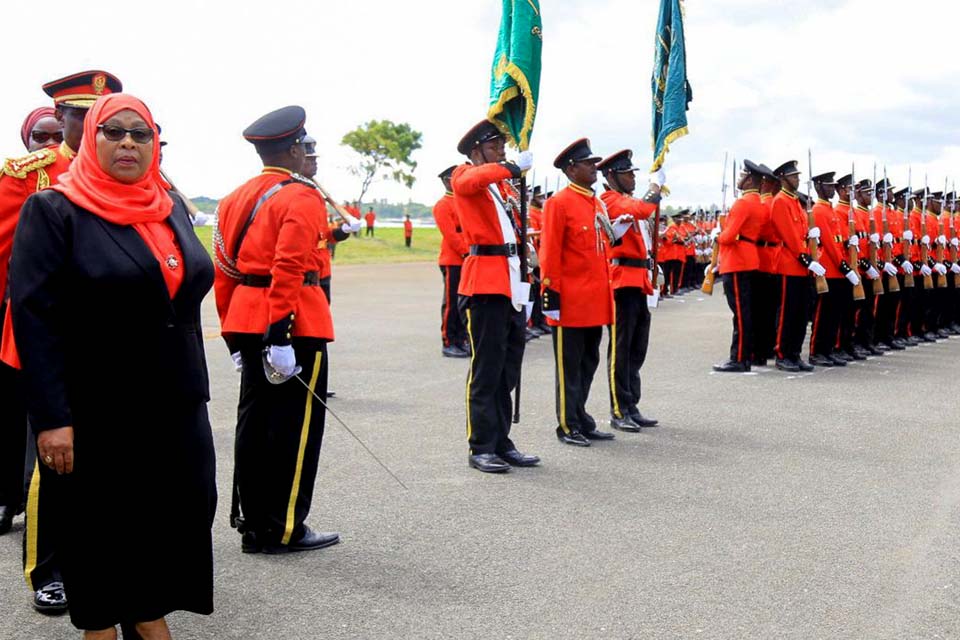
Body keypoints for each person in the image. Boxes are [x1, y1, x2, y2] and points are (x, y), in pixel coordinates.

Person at [9, 93, 215, 639]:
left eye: (140, 133)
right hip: (96, 412)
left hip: (174, 407)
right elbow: (36, 322)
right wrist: (53, 418)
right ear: (91, 138)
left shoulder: (169, 206)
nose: (128, 142)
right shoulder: (55, 210)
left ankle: (148, 618)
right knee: (101, 552)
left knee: (165, 535)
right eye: (114, 131)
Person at [0, 71, 122, 617]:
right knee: (54, 459)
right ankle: (48, 570)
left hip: (118, 343)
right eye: (80, 115)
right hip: (49, 336)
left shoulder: (134, 171)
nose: (94, 126)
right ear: (65, 117)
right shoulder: (29, 177)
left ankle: (108, 558)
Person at [213, 106, 340, 552]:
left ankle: (253, 521)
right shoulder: (302, 196)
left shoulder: (233, 198)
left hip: (247, 316)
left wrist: (233, 333)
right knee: (292, 430)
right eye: (304, 147)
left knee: (254, 424)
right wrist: (280, 334)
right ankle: (283, 526)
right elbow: (288, 269)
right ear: (291, 148)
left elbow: (224, 269)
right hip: (291, 322)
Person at [452, 119, 539, 473]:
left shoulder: (500, 189)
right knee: (486, 369)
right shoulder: (466, 175)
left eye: (503, 145)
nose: (502, 150)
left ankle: (502, 441)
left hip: (511, 278)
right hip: (485, 282)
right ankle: (481, 445)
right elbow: (469, 180)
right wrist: (507, 167)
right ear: (476, 151)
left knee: (508, 368)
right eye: (495, 145)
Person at [540, 138, 621, 447]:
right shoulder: (558, 203)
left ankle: (582, 417)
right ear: (571, 168)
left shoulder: (596, 202)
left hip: (595, 301)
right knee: (569, 367)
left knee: (589, 363)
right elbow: (550, 253)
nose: (594, 168)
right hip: (571, 302)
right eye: (588, 164)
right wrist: (551, 296)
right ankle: (567, 423)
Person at [597, 149, 661, 431]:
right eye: (627, 173)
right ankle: (618, 408)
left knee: (637, 348)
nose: (632, 177)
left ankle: (631, 403)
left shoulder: (627, 200)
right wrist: (655, 187)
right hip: (621, 280)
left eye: (634, 173)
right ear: (611, 176)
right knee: (620, 349)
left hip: (639, 279)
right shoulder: (610, 200)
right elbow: (644, 209)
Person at [712, 160, 765, 373]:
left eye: (742, 174)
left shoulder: (743, 203)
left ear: (750, 179)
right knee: (745, 311)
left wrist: (718, 234)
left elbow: (728, 236)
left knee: (741, 314)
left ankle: (740, 358)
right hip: (748, 257)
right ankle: (745, 355)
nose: (739, 178)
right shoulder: (757, 202)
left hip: (737, 260)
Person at [769, 160, 818, 372]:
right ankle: (782, 353)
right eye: (794, 176)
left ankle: (795, 353)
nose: (797, 179)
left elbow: (803, 233)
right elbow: (789, 235)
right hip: (789, 264)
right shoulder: (780, 201)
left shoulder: (796, 202)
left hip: (802, 265)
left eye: (797, 175)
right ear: (782, 178)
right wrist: (807, 258)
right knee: (788, 312)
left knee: (800, 313)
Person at [807, 172, 857, 367]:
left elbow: (838, 240)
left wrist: (849, 244)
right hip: (828, 268)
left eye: (832, 185)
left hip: (837, 269)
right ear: (818, 187)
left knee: (834, 314)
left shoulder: (830, 210)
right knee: (823, 315)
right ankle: (817, 351)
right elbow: (828, 243)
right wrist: (844, 266)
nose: (832, 189)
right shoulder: (819, 210)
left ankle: (828, 350)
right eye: (828, 186)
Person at [300, 135, 358, 302]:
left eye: (314, 160)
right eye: (309, 160)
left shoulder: (315, 192)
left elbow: (323, 234)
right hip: (306, 272)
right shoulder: (297, 193)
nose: (315, 163)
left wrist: (343, 231)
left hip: (322, 269)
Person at [432, 165, 469, 357]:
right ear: (447, 181)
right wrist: (466, 252)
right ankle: (449, 341)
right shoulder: (443, 205)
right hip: (454, 259)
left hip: (467, 259)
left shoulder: (463, 202)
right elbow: (451, 235)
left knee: (464, 303)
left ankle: (462, 338)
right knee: (452, 302)